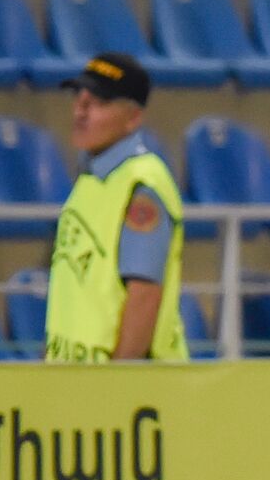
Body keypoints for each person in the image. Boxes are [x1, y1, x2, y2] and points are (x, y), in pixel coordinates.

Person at [45, 52, 188, 362]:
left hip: (123, 389)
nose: (81, 111)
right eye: (78, 99)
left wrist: (118, 386)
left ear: (133, 118)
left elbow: (144, 294)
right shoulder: (91, 179)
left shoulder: (141, 185)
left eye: (98, 102)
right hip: (77, 381)